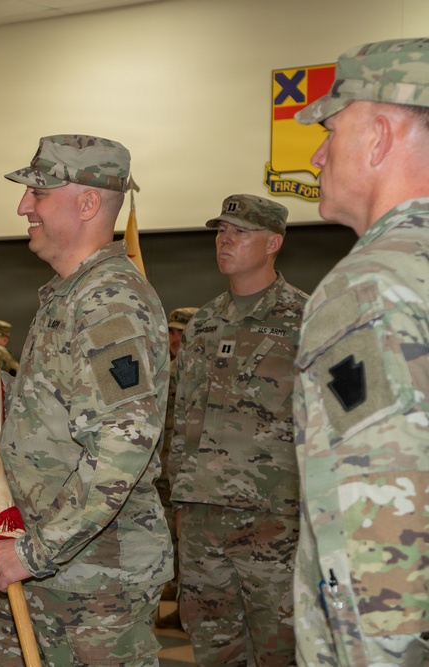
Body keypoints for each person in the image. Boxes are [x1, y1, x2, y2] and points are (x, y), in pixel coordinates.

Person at [0, 134, 172, 666]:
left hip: (91, 580)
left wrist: (34, 553)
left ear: (88, 204)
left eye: (38, 193)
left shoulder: (111, 301)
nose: (24, 206)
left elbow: (122, 446)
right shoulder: (68, 294)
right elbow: (53, 418)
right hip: (49, 563)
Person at [292, 37, 429, 667]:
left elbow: (381, 545)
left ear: (377, 137)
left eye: (331, 130)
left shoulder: (372, 285)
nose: (318, 155)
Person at [170, 194, 307, 666]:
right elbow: (183, 414)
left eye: (240, 232)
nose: (225, 240)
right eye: (220, 231)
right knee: (213, 647)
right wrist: (179, 498)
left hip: (274, 517)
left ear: (273, 242)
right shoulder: (204, 322)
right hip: (202, 514)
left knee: (280, 648)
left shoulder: (304, 318)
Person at [154, 306, 198, 630]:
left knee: (189, 541)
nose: (174, 339)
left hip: (189, 472)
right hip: (164, 469)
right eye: (171, 332)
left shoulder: (200, 373)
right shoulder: (166, 370)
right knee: (171, 537)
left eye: (181, 333)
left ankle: (187, 609)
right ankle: (177, 590)